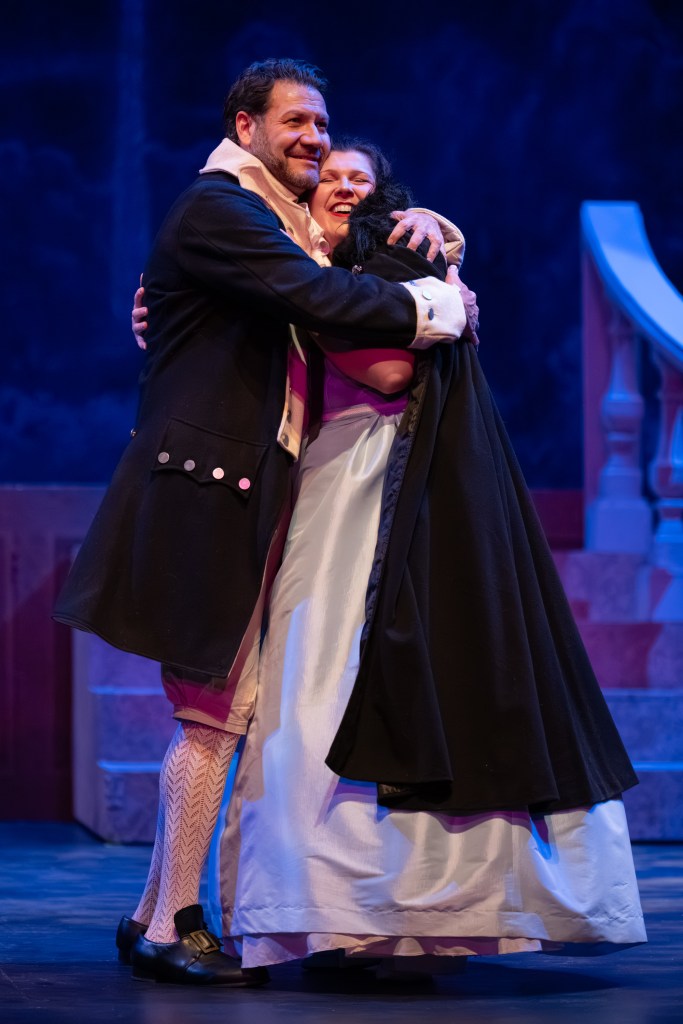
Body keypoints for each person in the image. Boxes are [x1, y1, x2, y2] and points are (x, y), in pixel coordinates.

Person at [53, 59, 470, 987]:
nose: (314, 139)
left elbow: (329, 259)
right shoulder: (222, 210)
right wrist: (429, 305)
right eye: (295, 122)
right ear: (245, 127)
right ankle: (171, 926)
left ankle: (150, 913)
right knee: (212, 715)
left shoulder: (265, 220)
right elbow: (318, 296)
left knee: (220, 710)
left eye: (322, 123)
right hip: (208, 494)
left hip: (242, 489)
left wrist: (439, 231)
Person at [208, 140, 646, 973]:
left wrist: (436, 272)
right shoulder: (280, 261)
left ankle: (412, 909)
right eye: (328, 173)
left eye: (359, 178)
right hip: (322, 479)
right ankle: (323, 907)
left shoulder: (381, 256)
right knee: (311, 677)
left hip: (386, 471)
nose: (341, 184)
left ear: (381, 198)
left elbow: (382, 369)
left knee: (370, 666)